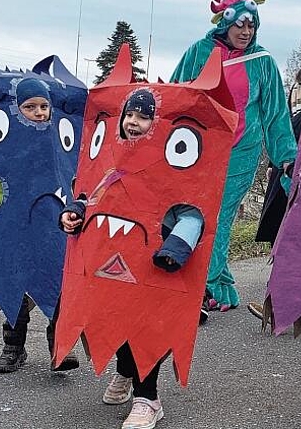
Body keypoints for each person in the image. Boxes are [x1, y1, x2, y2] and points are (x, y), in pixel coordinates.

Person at [60, 88, 205, 429]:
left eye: (144, 116)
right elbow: (91, 197)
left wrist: (176, 248)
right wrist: (74, 212)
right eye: (130, 115)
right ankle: (126, 371)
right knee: (115, 321)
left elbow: (192, 213)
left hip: (155, 266)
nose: (135, 122)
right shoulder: (112, 164)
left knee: (145, 330)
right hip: (110, 263)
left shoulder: (172, 169)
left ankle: (148, 398)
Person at [171, 0, 297, 312]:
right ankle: (221, 285)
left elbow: (275, 114)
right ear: (225, 24)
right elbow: (176, 95)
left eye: (251, 25)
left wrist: (286, 158)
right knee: (194, 213)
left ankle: (207, 286)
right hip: (200, 150)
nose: (246, 31)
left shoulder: (262, 61)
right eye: (240, 24)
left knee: (218, 215)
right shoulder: (199, 52)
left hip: (242, 149)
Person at [0, 78, 79, 374]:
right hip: (15, 229)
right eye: (30, 107)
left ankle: (59, 346)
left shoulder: (59, 145)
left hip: (53, 229)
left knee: (57, 286)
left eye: (44, 106)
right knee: (15, 287)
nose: (39, 112)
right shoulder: (4, 147)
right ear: (16, 110)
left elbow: (71, 180)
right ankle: (13, 346)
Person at [248, 38, 301, 320]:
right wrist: (275, 164)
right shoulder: (297, 89)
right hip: (287, 170)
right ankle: (275, 306)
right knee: (284, 238)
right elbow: (280, 127)